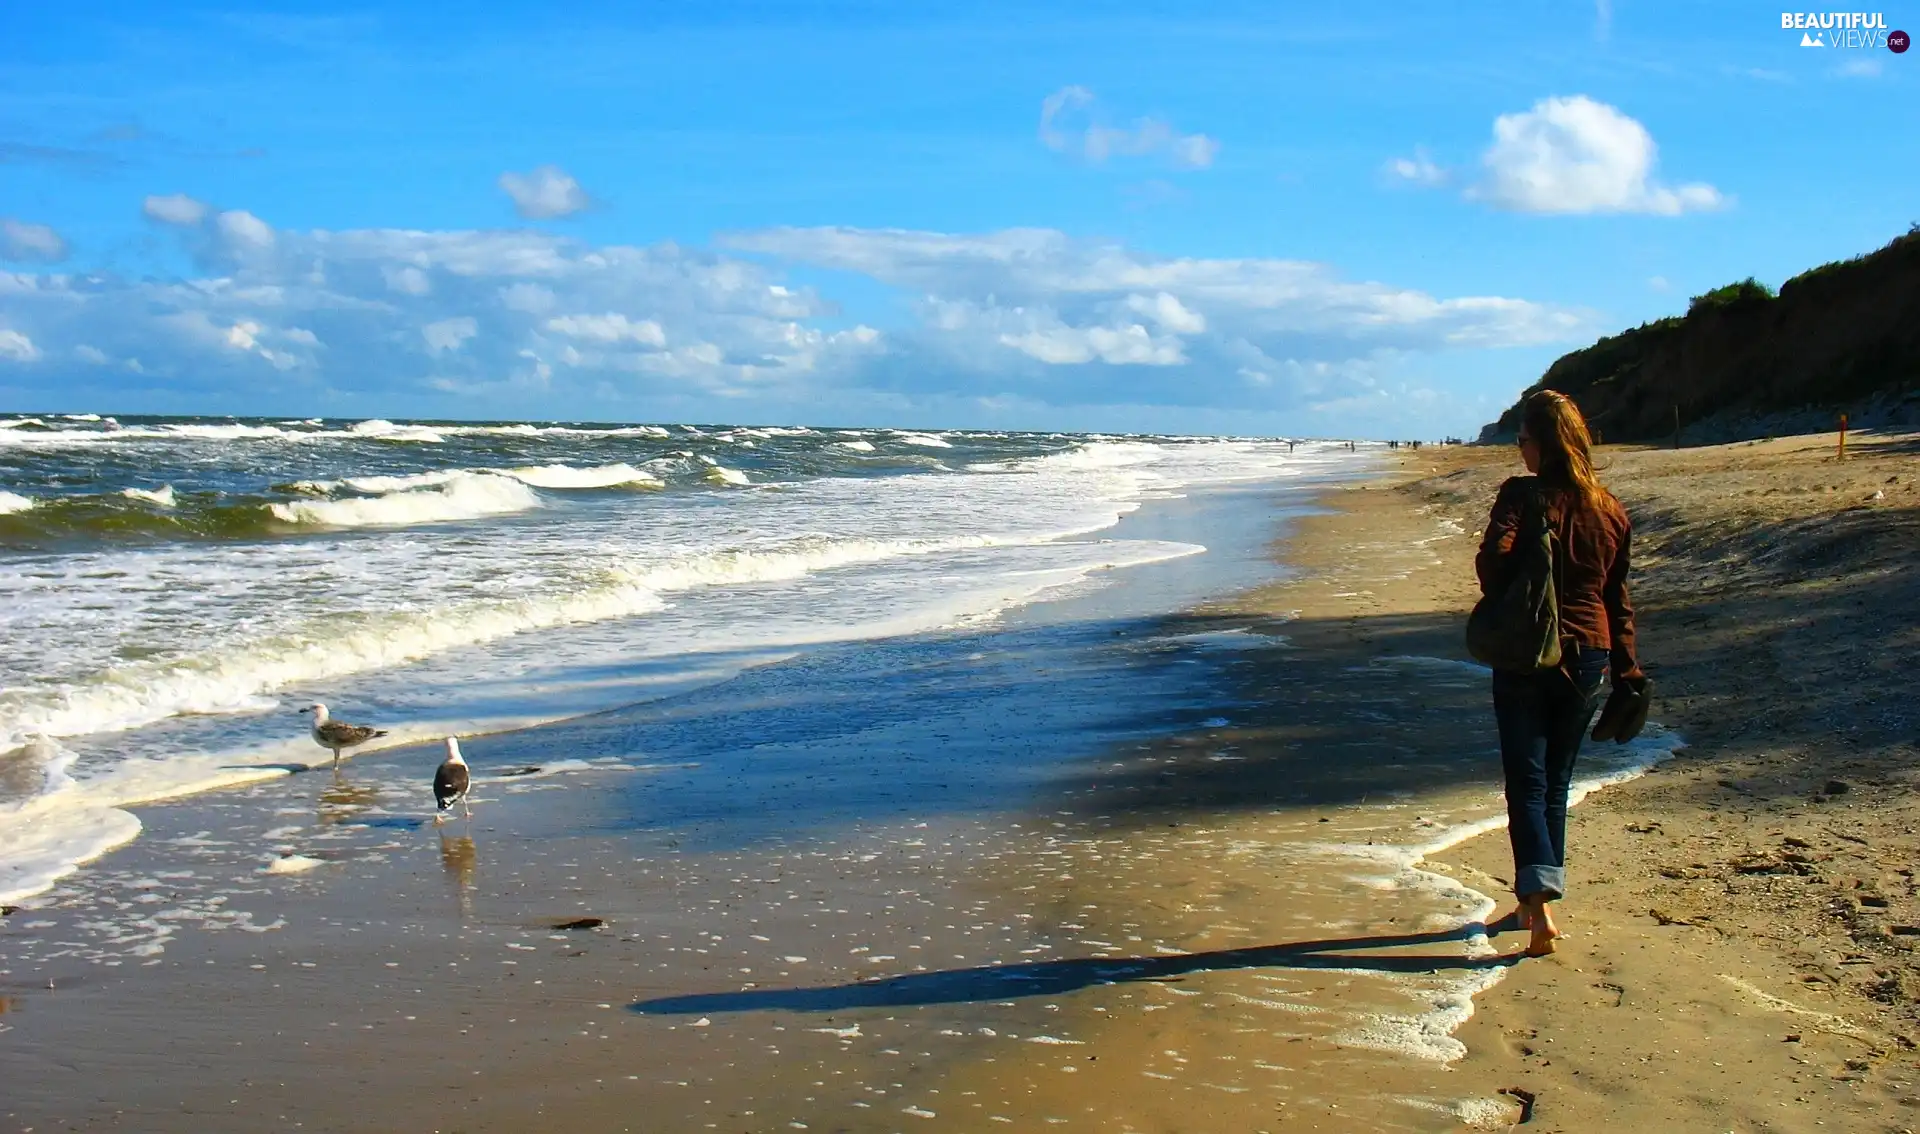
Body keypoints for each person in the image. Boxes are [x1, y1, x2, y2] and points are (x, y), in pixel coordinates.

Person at [1475, 390, 1641, 957]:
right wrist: (1629, 672)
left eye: (1522, 440)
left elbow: (1491, 565)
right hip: (1590, 652)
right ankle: (1530, 903)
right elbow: (1618, 600)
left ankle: (1539, 907)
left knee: (1526, 779)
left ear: (1541, 443)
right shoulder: (1610, 508)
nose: (1519, 449)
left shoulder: (1522, 496)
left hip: (1527, 649)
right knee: (1556, 779)